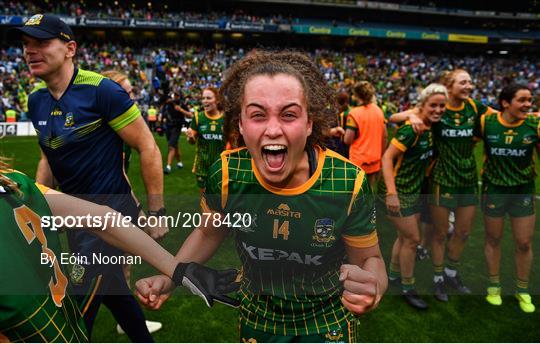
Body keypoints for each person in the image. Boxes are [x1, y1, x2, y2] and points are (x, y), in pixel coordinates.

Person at [136, 51, 387, 342]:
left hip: (327, 318)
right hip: (257, 317)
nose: (272, 129)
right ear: (240, 124)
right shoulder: (228, 173)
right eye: (257, 115)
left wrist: (375, 287)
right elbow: (208, 233)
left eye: (289, 114)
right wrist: (170, 277)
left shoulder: (346, 181)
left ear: (309, 124)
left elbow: (370, 258)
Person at [14, 14, 167, 341]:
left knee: (74, 306)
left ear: (70, 48)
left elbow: (147, 146)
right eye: (26, 44)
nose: (29, 51)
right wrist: (39, 206)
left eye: (40, 42)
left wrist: (157, 212)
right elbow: (47, 158)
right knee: (113, 290)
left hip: (110, 217)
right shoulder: (36, 100)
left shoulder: (102, 91)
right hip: (74, 220)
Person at [0, 158, 238, 342]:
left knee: (113, 288)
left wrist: (179, 270)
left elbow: (104, 218)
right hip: (46, 330)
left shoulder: (13, 183)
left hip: (62, 331)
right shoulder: (14, 182)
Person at [391, 69, 495, 301]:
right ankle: (437, 278)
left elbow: (500, 117)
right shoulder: (440, 107)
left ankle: (450, 272)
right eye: (463, 82)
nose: (469, 86)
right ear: (449, 86)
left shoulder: (474, 107)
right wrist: (413, 117)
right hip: (441, 178)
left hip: (467, 179)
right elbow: (396, 117)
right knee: (438, 233)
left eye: (470, 81)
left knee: (464, 231)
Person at [101, 70, 163, 334]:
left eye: (131, 91)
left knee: (119, 264)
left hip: (115, 203)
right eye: (125, 92)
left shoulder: (120, 126)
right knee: (97, 275)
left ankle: (125, 320)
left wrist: (137, 208)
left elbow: (121, 173)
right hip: (95, 209)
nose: (131, 97)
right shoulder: (101, 128)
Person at [380, 84, 447, 310]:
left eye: (442, 106)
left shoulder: (430, 127)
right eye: (433, 105)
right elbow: (387, 159)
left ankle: (393, 276)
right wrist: (391, 194)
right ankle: (408, 287)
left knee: (404, 237)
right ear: (422, 106)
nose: (438, 110)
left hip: (414, 190)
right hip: (398, 191)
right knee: (412, 239)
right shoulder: (412, 130)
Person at [478, 84, 538, 313]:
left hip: (522, 191)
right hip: (494, 190)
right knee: (493, 239)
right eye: (522, 100)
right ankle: (494, 286)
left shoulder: (534, 125)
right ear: (505, 103)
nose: (527, 105)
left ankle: (522, 290)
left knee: (524, 243)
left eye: (530, 100)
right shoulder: (487, 123)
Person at [344, 81, 387, 189]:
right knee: (370, 190)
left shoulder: (354, 113)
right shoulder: (378, 110)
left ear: (357, 95)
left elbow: (347, 140)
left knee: (356, 192)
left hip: (359, 160)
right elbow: (385, 135)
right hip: (375, 158)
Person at [186, 87, 225, 191]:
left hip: (221, 165)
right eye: (203, 98)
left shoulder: (226, 118)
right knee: (205, 200)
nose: (205, 101)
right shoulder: (198, 117)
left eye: (208, 98)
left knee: (220, 199)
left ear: (217, 100)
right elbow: (192, 141)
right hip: (202, 165)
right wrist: (190, 137)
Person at [162, 91, 191, 174]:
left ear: (179, 96)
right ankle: (179, 162)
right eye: (174, 95)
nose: (175, 97)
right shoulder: (169, 103)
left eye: (177, 95)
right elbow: (163, 102)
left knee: (171, 146)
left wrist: (181, 110)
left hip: (177, 127)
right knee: (175, 145)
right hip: (168, 126)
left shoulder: (182, 104)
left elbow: (190, 114)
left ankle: (168, 167)